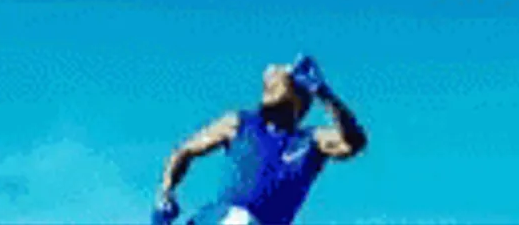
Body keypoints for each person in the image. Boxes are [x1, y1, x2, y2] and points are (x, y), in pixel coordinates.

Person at [152, 54, 368, 225]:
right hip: (220, 218)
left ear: (299, 94)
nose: (268, 82)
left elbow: (354, 142)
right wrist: (165, 192)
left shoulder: (310, 141)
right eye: (266, 81)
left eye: (277, 80)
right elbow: (184, 151)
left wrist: (325, 94)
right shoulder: (240, 123)